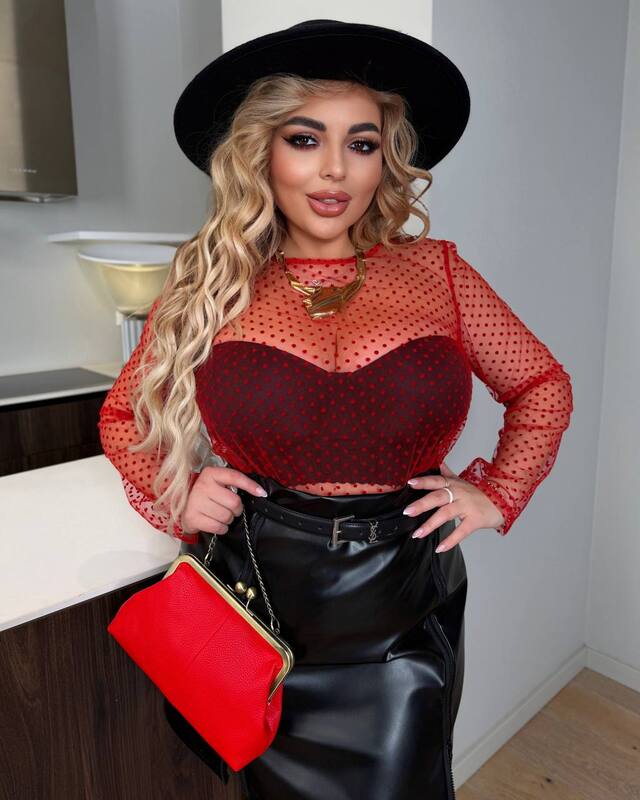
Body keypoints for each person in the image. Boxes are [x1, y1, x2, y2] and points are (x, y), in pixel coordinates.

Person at [98, 19, 574, 800]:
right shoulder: (208, 282)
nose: (334, 169)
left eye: (362, 143)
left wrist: (500, 490)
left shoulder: (437, 273)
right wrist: (175, 486)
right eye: (304, 139)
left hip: (402, 601)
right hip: (260, 603)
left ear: (386, 159)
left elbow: (541, 385)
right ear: (260, 153)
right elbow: (124, 417)